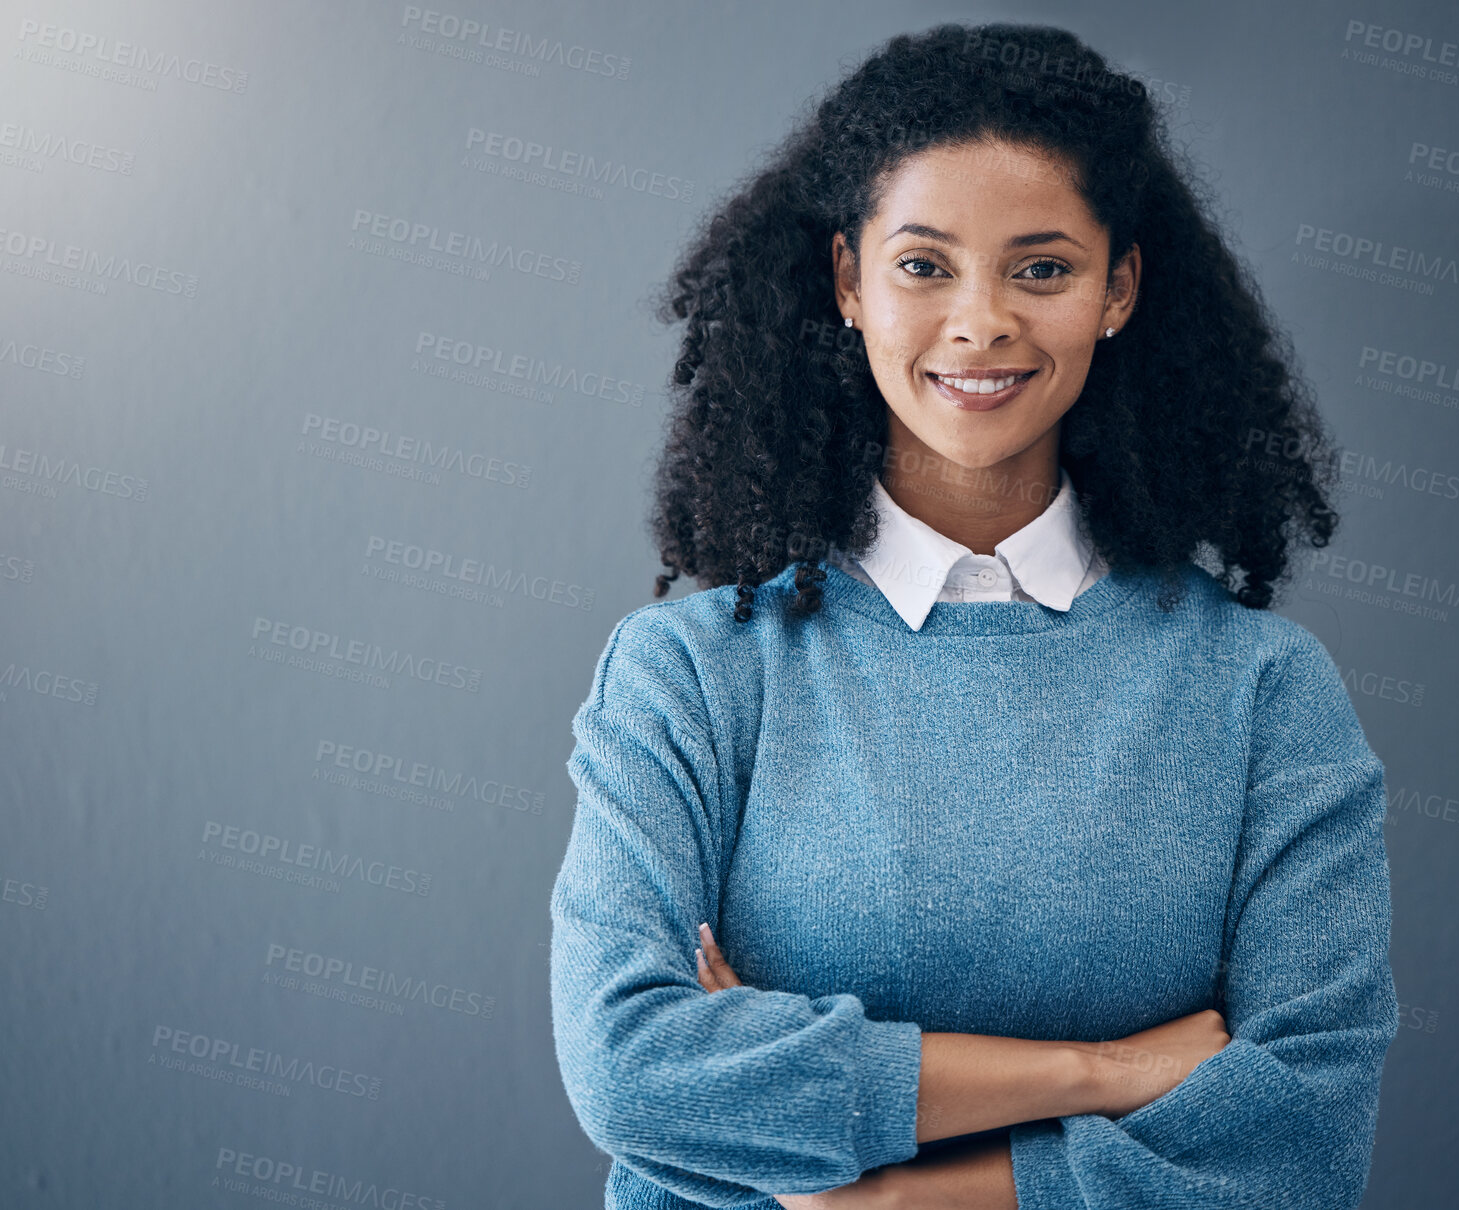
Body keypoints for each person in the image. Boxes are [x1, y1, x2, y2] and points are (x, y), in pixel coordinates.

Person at [550, 20, 1397, 1210]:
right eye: (922, 264)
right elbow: (632, 1074)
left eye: (1040, 268)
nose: (981, 320)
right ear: (847, 281)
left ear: (1118, 289)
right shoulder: (687, 675)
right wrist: (1101, 1073)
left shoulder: (1261, 691)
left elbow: (1300, 1142)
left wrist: (894, 1197)